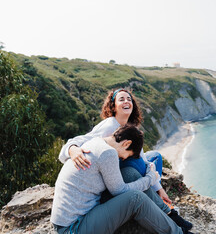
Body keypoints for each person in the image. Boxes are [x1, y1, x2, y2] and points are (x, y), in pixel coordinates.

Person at [58, 89, 192, 231]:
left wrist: (157, 186)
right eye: (121, 99)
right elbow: (81, 140)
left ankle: (167, 213)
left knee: (147, 162)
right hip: (74, 226)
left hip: (97, 196)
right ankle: (171, 221)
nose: (127, 101)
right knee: (135, 182)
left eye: (129, 99)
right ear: (113, 106)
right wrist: (72, 149)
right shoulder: (109, 129)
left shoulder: (126, 131)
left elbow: (142, 159)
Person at [51, 125, 186, 234]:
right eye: (127, 156)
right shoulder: (107, 153)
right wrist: (150, 179)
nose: (123, 159)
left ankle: (168, 215)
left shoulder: (96, 142)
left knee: (128, 173)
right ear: (126, 144)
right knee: (136, 198)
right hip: (73, 227)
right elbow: (119, 191)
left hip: (75, 217)